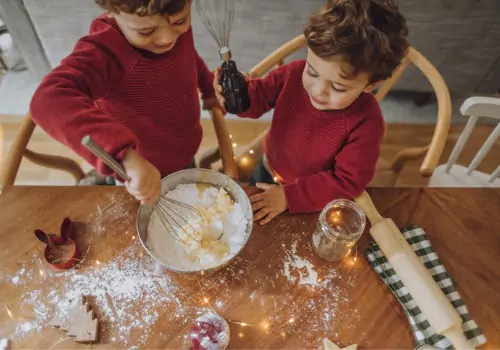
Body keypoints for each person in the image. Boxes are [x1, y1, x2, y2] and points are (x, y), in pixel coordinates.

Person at [214, 0, 409, 225]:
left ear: (369, 85)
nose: (318, 91)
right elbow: (256, 102)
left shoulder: (367, 122)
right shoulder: (293, 74)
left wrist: (290, 196)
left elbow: (347, 182)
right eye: (312, 71)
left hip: (314, 196)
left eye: (337, 87)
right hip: (269, 166)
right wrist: (236, 97)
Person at [30, 0, 219, 204]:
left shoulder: (169, 22)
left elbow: (187, 58)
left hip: (182, 152)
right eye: (146, 32)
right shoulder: (106, 53)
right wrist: (124, 157)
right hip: (140, 173)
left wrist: (208, 87)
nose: (168, 38)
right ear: (110, 11)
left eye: (180, 21)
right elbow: (48, 99)